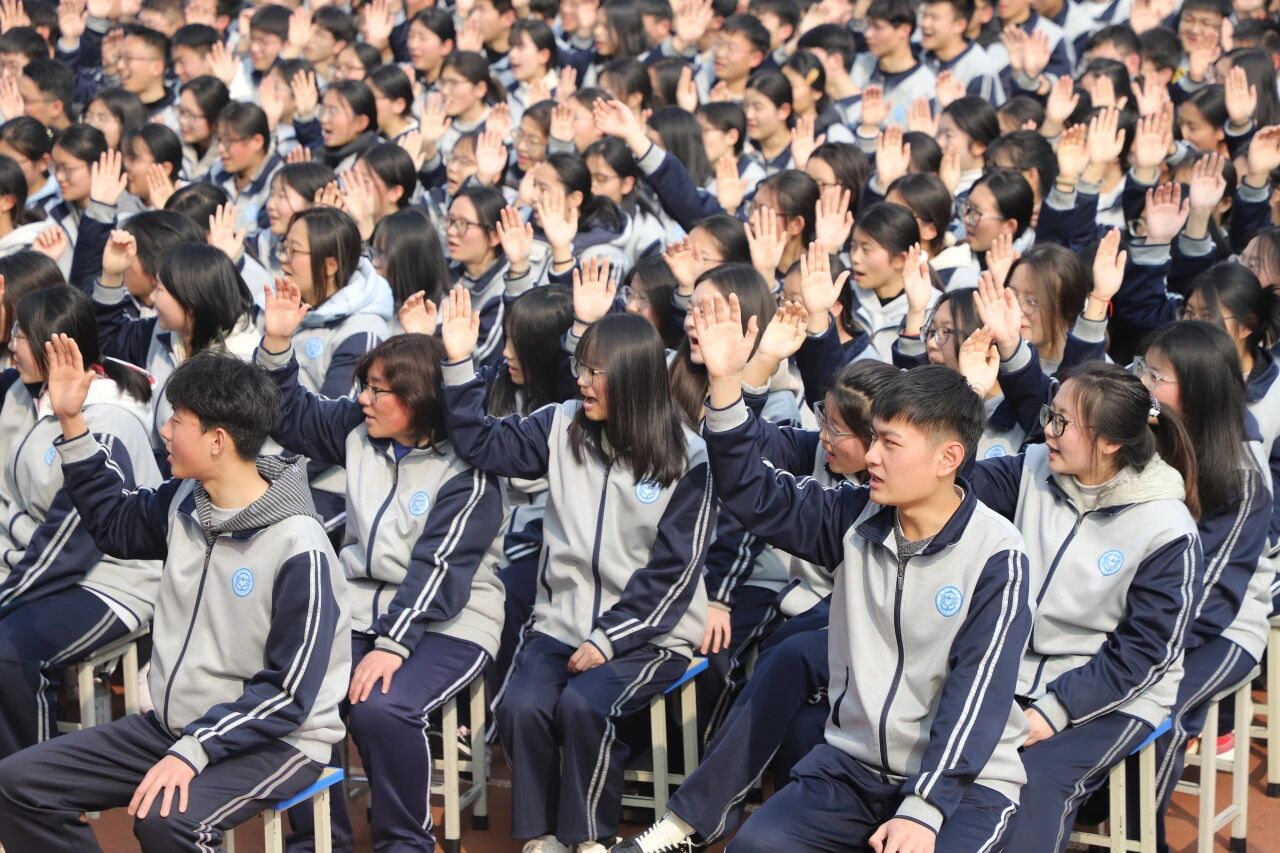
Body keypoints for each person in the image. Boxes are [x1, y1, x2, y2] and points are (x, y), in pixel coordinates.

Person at [690, 291, 1032, 852]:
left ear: (948, 459)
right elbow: (753, 494)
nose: (870, 457)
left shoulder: (997, 555)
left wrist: (923, 809)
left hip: (964, 786)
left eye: (890, 444)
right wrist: (727, 384)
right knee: (756, 846)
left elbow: (977, 695)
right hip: (854, 769)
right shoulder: (854, 518)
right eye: (873, 439)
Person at [0, 345, 349, 851]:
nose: (164, 431)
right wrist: (72, 423)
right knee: (18, 784)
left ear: (217, 439)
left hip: (277, 740)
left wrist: (195, 749)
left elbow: (288, 694)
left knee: (167, 821)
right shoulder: (186, 500)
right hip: (175, 726)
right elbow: (115, 524)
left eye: (177, 420)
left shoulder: (300, 546)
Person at [443, 292, 715, 853]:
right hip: (560, 621)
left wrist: (608, 639)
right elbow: (481, 443)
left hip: (651, 635)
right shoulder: (560, 424)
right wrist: (459, 364)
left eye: (596, 373)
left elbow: (674, 574)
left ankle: (588, 838)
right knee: (519, 706)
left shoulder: (687, 455)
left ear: (634, 378)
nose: (583, 382)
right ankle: (541, 837)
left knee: (583, 704)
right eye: (581, 368)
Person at [256, 281, 504, 853]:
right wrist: (276, 344)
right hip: (362, 608)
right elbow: (289, 414)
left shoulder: (467, 468)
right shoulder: (360, 431)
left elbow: (438, 571)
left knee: (381, 709)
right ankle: (321, 842)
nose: (363, 399)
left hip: (452, 618)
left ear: (417, 400)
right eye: (364, 386)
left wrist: (392, 645)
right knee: (299, 693)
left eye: (377, 390)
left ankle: (406, 842)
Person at [0, 285, 164, 760]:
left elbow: (71, 545)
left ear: (54, 346)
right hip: (47, 566)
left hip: (114, 579)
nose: (12, 343)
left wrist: (7, 594)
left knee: (9, 651)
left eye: (21, 334)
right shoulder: (29, 397)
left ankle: (28, 786)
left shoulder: (106, 422)